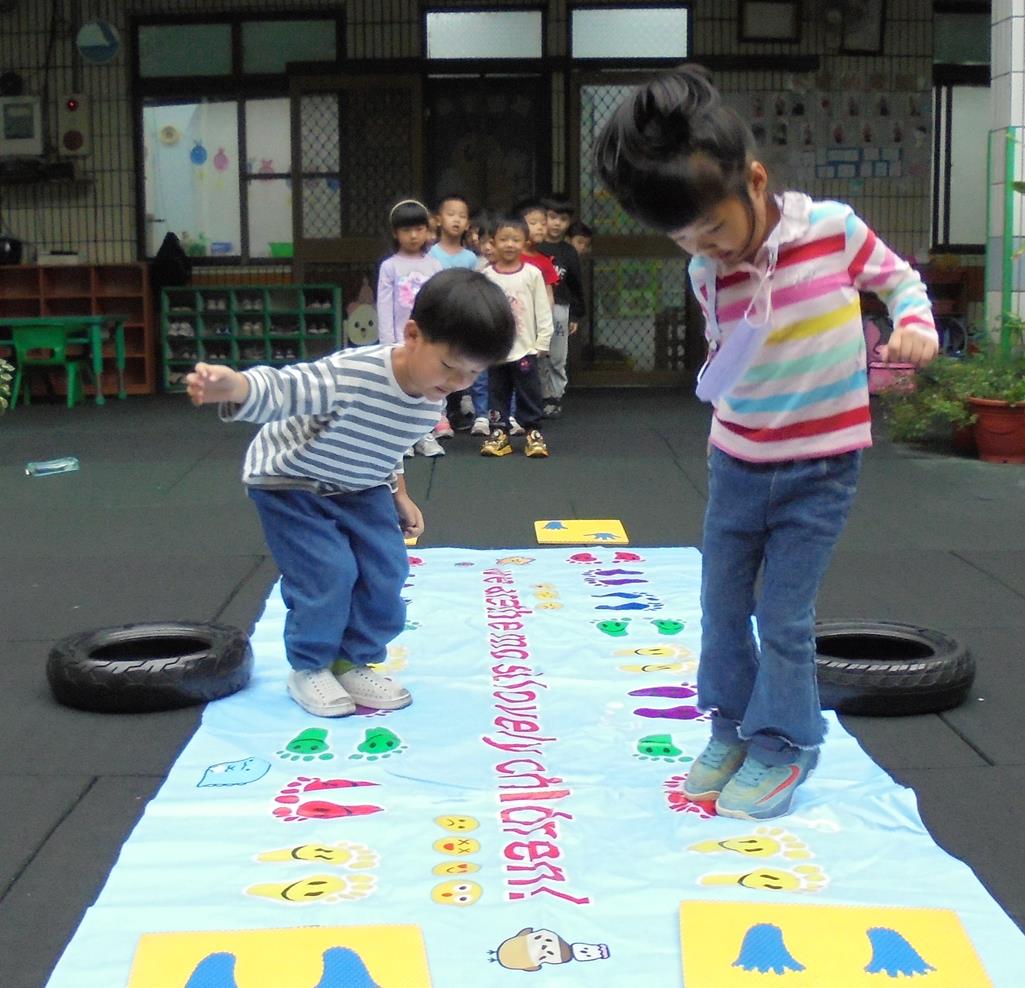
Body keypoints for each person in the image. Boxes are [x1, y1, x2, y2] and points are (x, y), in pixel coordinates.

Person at [595, 66, 938, 821]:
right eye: (685, 239)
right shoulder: (705, 271)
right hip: (737, 464)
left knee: (782, 616)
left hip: (820, 469)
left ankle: (785, 743)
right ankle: (729, 727)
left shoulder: (832, 230)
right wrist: (721, 421)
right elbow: (734, 356)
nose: (705, 249)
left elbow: (899, 281)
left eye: (714, 230)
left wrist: (914, 324)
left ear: (754, 181)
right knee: (721, 609)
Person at [184, 269, 515, 718]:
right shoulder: (354, 373)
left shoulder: (432, 394)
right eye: (449, 366)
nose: (458, 381)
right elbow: (287, 388)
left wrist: (399, 493)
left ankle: (350, 661)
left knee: (386, 569)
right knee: (329, 572)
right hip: (292, 481)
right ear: (412, 335)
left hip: (360, 483)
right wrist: (237, 387)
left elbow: (387, 442)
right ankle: (310, 666)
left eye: (472, 373)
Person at [480, 214, 555, 458]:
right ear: (493, 242)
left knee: (529, 391)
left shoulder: (532, 274)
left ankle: (533, 432)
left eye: (515, 239)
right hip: (497, 351)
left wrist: (543, 340)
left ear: (525, 242)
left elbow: (543, 309)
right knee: (497, 391)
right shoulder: (487, 276)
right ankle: (499, 432)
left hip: (526, 348)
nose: (509, 244)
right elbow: (481, 312)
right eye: (504, 239)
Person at [376, 198, 447, 456]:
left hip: (430, 340)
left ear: (428, 230)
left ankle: (425, 433)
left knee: (429, 387)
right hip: (401, 340)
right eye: (407, 230)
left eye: (419, 229)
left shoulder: (434, 265)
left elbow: (441, 302)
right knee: (402, 388)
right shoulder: (390, 266)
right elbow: (384, 306)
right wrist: (388, 343)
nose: (414, 235)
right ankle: (401, 438)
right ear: (396, 233)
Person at [428, 194, 480, 432]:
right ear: (438, 219)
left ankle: (458, 409)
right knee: (440, 362)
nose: (456, 220)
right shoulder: (431, 254)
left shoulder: (470, 258)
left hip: (463, 317)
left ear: (468, 223)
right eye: (451, 214)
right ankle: (438, 414)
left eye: (462, 216)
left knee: (461, 363)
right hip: (440, 317)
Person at [537, 193, 586, 418]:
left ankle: (554, 397)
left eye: (563, 219)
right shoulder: (534, 247)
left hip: (560, 308)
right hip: (535, 309)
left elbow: (576, 284)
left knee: (557, 356)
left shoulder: (568, 252)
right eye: (552, 217)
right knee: (537, 354)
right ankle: (537, 395)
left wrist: (575, 314)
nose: (557, 223)